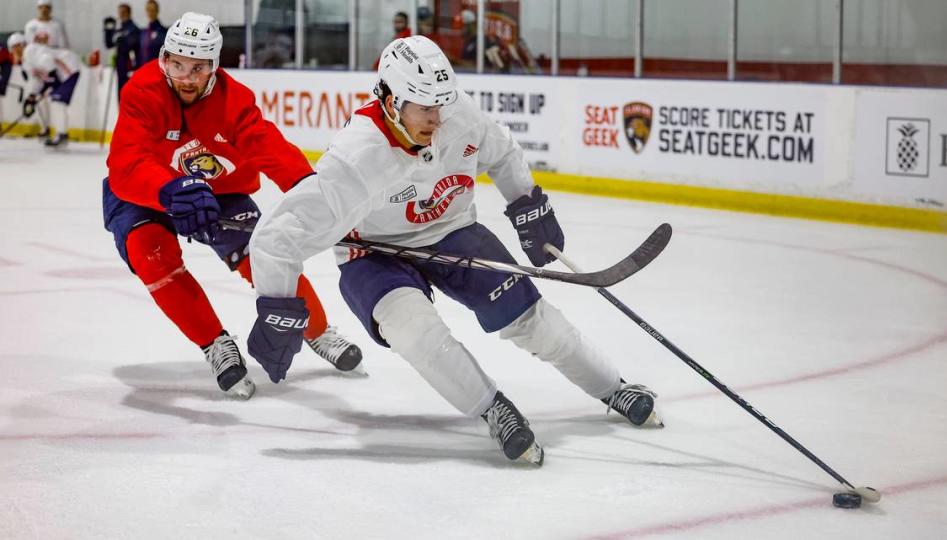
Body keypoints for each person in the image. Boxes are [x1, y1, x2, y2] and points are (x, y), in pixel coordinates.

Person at [246, 36, 663, 465]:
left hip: (453, 230)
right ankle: (491, 408)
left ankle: (614, 387)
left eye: (443, 103)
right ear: (390, 101)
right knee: (415, 332)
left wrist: (526, 205)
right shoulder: (355, 159)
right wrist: (277, 303)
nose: (438, 117)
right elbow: (278, 236)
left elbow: (502, 152)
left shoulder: (456, 113)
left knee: (532, 320)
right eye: (425, 106)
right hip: (373, 255)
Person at [102, 12, 363, 400]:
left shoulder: (234, 100)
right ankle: (215, 345)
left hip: (218, 189)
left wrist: (311, 190)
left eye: (198, 67)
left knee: (265, 255)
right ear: (164, 59)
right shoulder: (142, 91)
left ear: (215, 66)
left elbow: (266, 144)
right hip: (147, 192)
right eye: (177, 64)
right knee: (150, 255)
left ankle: (317, 329)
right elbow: (127, 162)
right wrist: (171, 189)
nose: (186, 77)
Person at [19, 32, 81, 147]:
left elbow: (51, 73)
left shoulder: (31, 52)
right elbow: (42, 79)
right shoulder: (27, 60)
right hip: (63, 72)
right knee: (56, 101)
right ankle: (61, 134)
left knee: (57, 102)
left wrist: (44, 91)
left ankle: (62, 135)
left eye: (16, 46)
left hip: (70, 70)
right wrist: (32, 96)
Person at [103, 3, 142, 96]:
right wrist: (108, 30)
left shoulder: (133, 29)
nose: (121, 15)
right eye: (120, 13)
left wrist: (123, 41)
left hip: (129, 68)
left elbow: (131, 45)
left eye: (123, 12)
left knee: (128, 93)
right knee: (121, 93)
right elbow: (109, 44)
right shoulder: (119, 29)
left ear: (129, 13)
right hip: (120, 67)